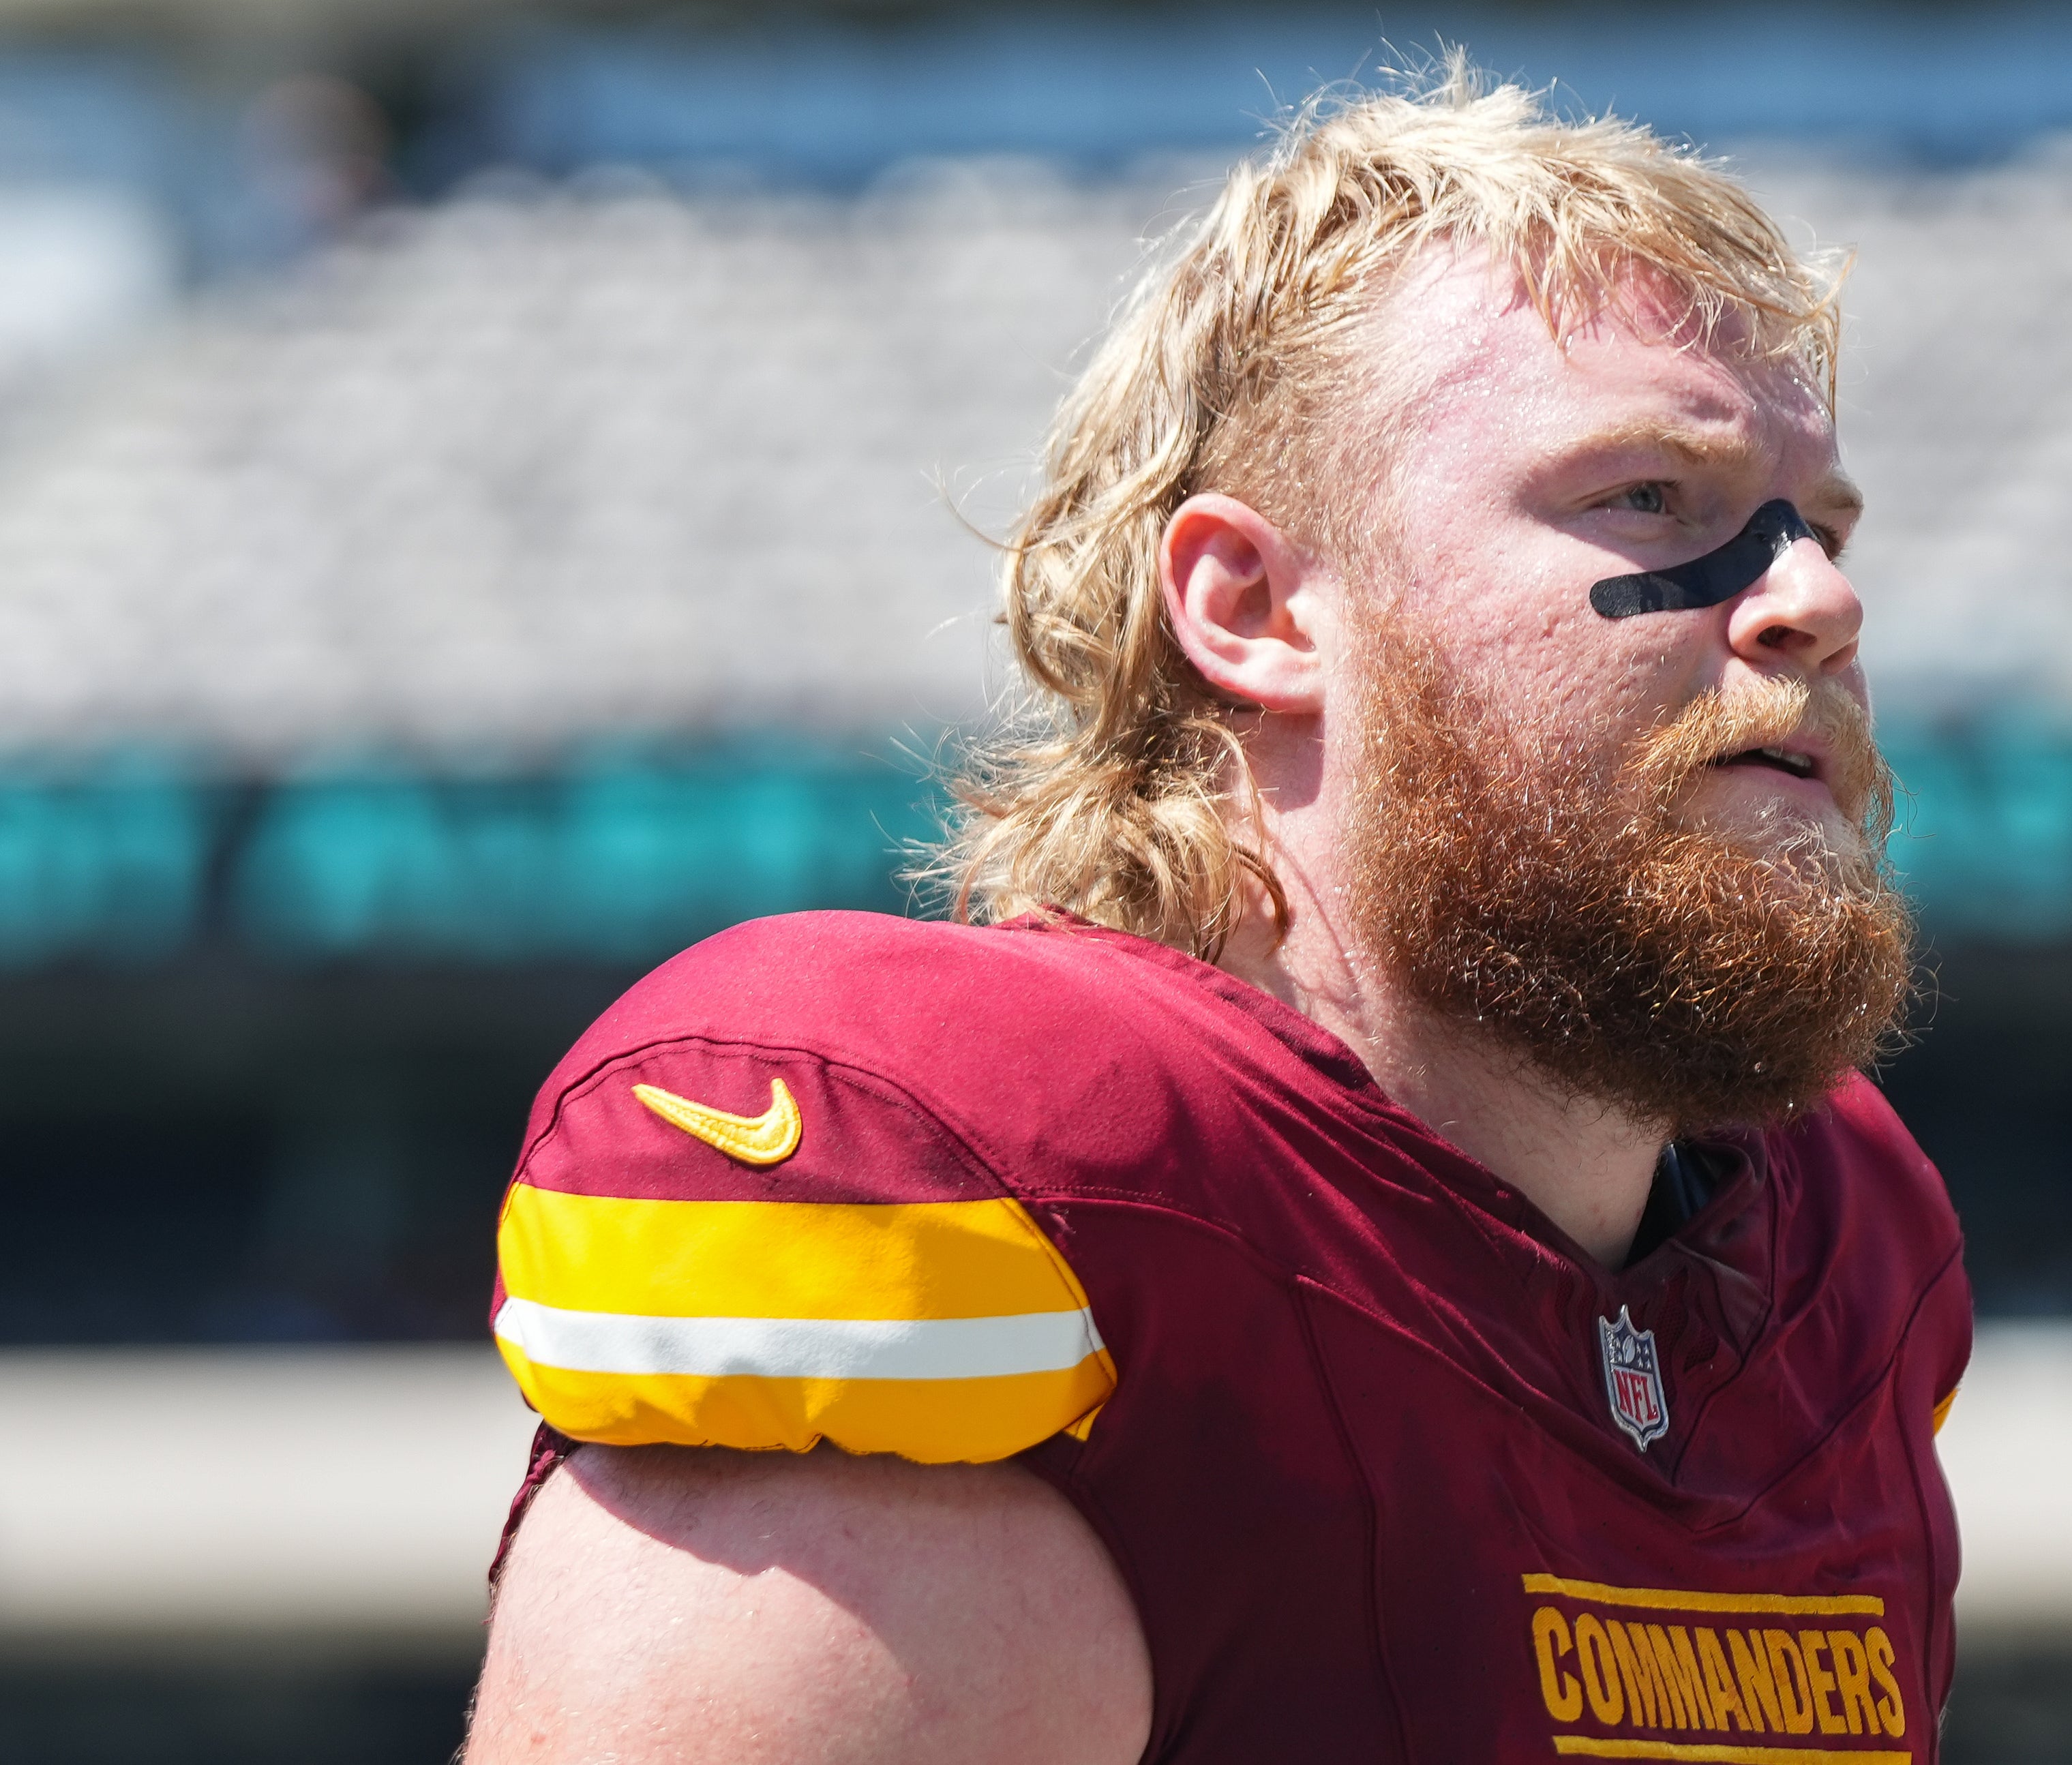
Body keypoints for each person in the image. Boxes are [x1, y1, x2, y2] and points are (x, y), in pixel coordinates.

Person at [467, 61, 1969, 1765]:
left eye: (1820, 528)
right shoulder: (1032, 1202)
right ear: (1254, 608)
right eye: (1648, 497)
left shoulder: (1836, 1265)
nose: (1818, 601)